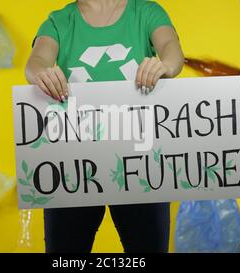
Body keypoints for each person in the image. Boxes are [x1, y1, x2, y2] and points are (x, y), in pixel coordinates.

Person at [25, 0, 184, 253]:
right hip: (75, 163)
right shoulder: (59, 20)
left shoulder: (146, 12)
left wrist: (165, 66)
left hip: (138, 161)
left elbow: (171, 48)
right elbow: (36, 61)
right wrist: (41, 73)